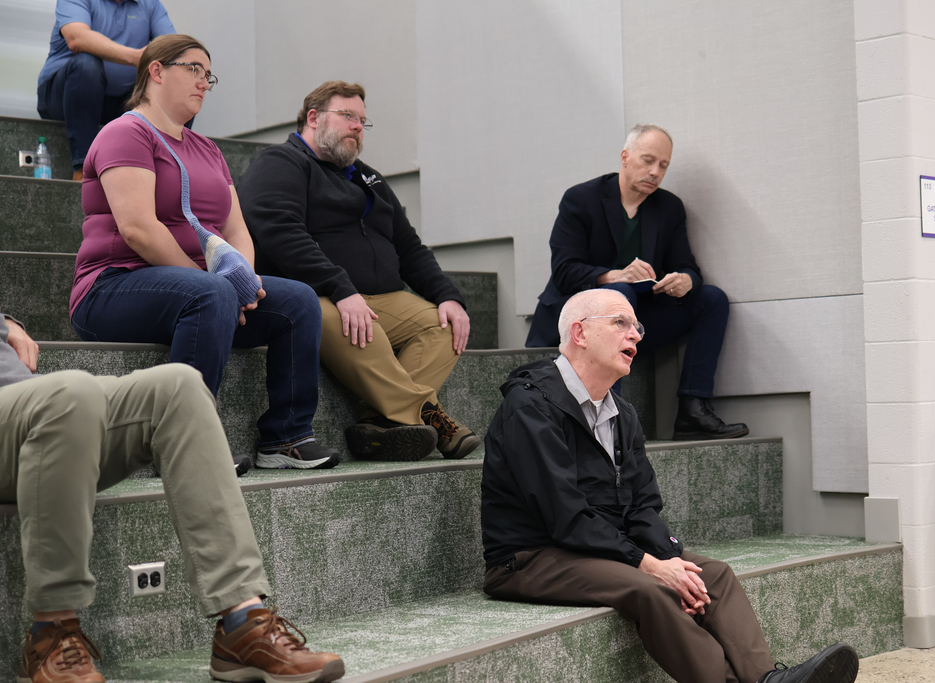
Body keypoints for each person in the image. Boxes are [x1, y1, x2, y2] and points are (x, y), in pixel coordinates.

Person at [482, 289, 859, 683]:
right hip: (530, 557)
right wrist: (650, 566)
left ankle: (766, 678)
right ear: (580, 333)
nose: (636, 335)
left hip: (592, 548)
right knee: (653, 589)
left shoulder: (621, 413)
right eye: (620, 323)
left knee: (711, 574)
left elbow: (643, 506)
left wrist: (669, 556)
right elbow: (565, 517)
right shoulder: (529, 407)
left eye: (636, 326)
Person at [0, 312, 345, 683]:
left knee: (179, 385)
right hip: (43, 407)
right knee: (71, 393)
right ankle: (50, 634)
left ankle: (242, 623)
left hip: (27, 409)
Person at [69, 34, 338, 472]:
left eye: (207, 74)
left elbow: (235, 229)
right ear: (156, 71)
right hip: (113, 286)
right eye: (193, 69)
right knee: (211, 294)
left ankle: (286, 437)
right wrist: (221, 288)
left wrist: (243, 285)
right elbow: (137, 229)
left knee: (299, 302)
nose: (203, 82)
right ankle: (181, 443)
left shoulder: (208, 149)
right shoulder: (126, 132)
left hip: (200, 291)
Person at [238, 80, 481, 463]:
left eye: (363, 121)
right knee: (345, 320)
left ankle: (381, 423)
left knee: (446, 325)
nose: (356, 126)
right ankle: (432, 418)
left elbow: (410, 248)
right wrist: (339, 287)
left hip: (382, 296)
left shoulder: (370, 179)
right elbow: (278, 231)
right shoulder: (280, 163)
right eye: (348, 115)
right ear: (314, 118)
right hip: (315, 295)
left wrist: (448, 295)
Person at [525, 124, 749, 441]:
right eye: (647, 160)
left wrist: (686, 279)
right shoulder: (581, 199)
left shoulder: (669, 207)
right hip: (578, 322)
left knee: (712, 299)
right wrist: (614, 277)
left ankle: (693, 410)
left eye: (663, 165)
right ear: (625, 157)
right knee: (619, 292)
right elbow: (564, 271)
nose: (655, 172)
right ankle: (605, 414)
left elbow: (688, 266)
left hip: (635, 322)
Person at [37, 0, 176, 180]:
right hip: (62, 96)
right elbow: (77, 38)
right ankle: (84, 169)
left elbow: (173, 49)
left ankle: (169, 175)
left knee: (176, 82)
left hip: (117, 103)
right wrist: (135, 57)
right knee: (87, 64)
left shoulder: (149, 4)